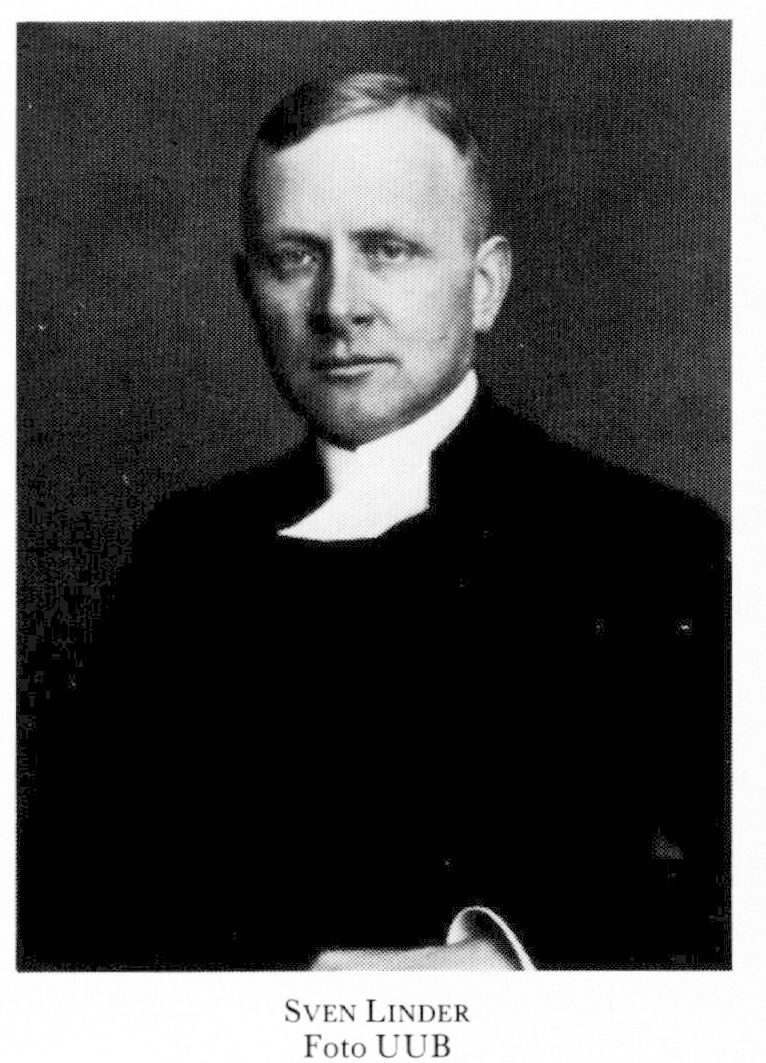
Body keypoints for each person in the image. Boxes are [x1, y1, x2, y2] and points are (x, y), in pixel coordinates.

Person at [19, 73, 729, 972]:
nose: (337, 306)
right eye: (293, 258)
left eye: (388, 250)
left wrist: (510, 958)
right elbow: (67, 908)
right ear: (247, 288)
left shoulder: (649, 545)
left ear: (484, 286)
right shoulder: (187, 550)